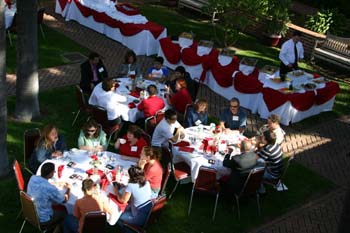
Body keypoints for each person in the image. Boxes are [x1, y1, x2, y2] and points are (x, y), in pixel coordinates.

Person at [27, 162, 70, 230]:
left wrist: (56, 183)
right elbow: (64, 200)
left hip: (30, 212)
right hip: (43, 219)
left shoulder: (33, 178)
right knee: (66, 212)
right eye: (54, 172)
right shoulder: (50, 188)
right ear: (51, 173)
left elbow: (43, 183)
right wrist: (68, 189)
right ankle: (60, 229)